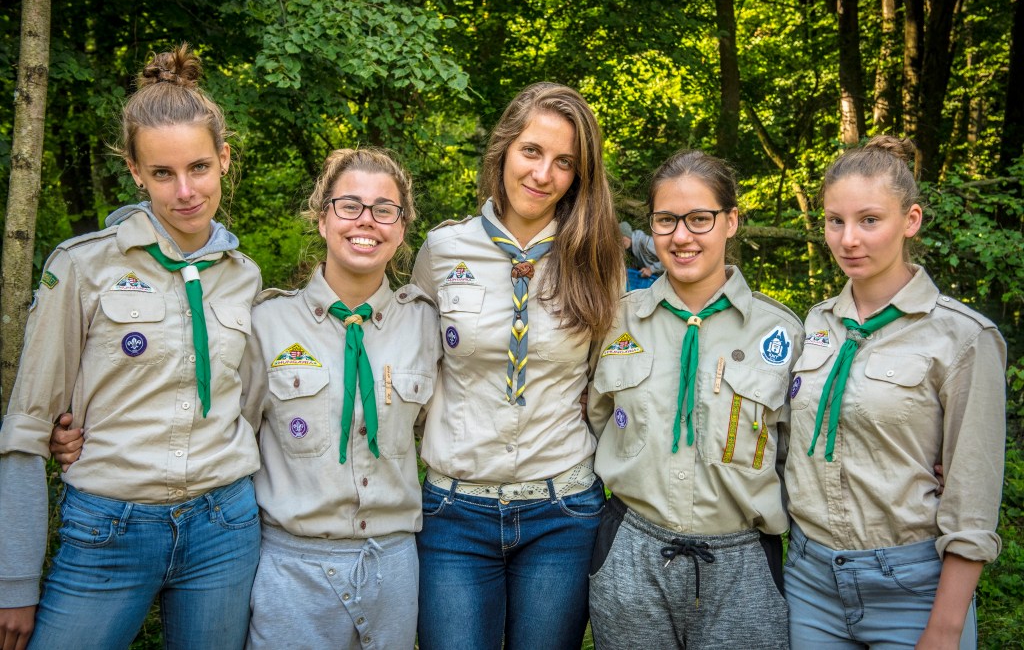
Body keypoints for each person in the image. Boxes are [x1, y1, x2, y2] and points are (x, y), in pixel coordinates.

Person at [0, 44, 262, 649]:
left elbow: (248, 407)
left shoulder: (243, 276)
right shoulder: (82, 267)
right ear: (136, 172)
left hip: (225, 526)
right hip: (109, 525)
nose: (185, 191)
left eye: (199, 167)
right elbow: (27, 425)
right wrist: (14, 580)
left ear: (224, 159)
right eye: (163, 173)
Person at [412, 82, 623, 649]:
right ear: (503, 149)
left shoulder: (599, 259)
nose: (543, 174)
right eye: (531, 151)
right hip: (454, 510)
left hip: (562, 512)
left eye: (564, 162)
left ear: (579, 176)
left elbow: (606, 380)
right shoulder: (443, 250)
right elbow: (416, 364)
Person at [783, 136, 1006, 649]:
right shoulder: (816, 324)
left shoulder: (963, 337)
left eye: (869, 220)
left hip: (913, 587)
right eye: (835, 221)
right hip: (810, 581)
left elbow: (973, 499)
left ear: (911, 220)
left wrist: (945, 628)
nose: (848, 239)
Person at [587, 150, 799, 649]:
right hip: (632, 553)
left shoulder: (782, 334)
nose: (681, 236)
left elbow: (797, 456)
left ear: (731, 221)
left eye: (699, 219)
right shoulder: (615, 321)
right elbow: (593, 419)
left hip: (744, 565)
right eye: (666, 220)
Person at [238, 148, 440, 649]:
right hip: (293, 571)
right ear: (322, 218)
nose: (365, 221)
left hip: (393, 569)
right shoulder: (267, 324)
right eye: (349, 206)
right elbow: (228, 435)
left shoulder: (426, 324)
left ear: (402, 227)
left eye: (384, 210)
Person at [619, 219, 662, 290]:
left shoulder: (645, 242)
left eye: (620, 238)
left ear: (627, 236)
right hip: (654, 281)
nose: (619, 242)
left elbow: (668, 259)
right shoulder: (632, 248)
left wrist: (651, 270)